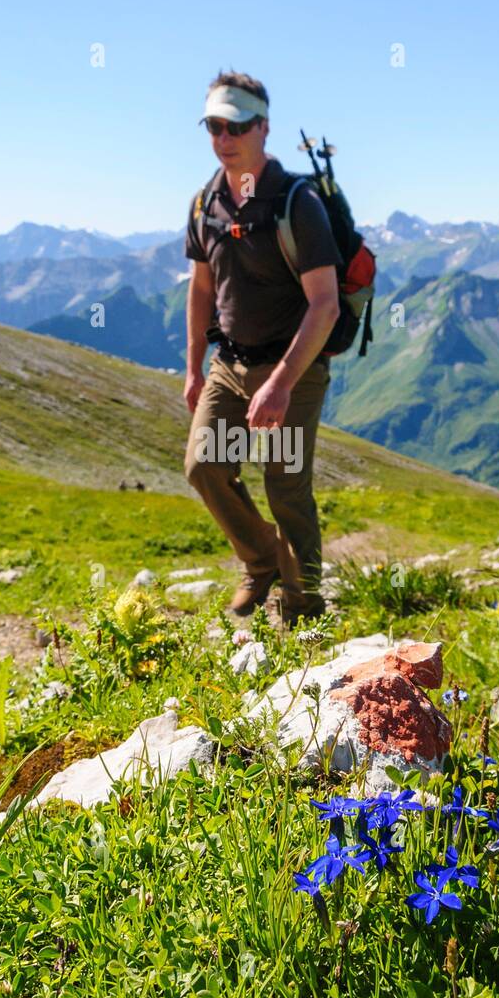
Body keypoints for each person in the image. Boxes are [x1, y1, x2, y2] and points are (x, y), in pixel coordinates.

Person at [183, 70, 341, 625]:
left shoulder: (296, 202)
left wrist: (281, 383)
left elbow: (326, 304)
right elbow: (202, 288)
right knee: (205, 467)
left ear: (264, 127)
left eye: (237, 126)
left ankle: (304, 613)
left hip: (291, 367)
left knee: (286, 487)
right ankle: (262, 560)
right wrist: (193, 368)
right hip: (228, 363)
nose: (225, 138)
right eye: (214, 126)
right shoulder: (205, 201)